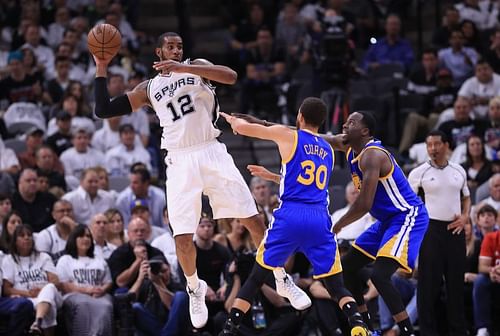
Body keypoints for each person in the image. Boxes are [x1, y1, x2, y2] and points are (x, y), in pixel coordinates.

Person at [92, 31, 306, 328]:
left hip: (211, 150)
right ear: (159, 52)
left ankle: (281, 277)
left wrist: (187, 68)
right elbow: (103, 109)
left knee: (254, 220)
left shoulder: (198, 68)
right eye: (170, 46)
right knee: (182, 237)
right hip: (179, 159)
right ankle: (194, 286)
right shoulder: (149, 87)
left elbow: (231, 76)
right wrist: (101, 66)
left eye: (180, 46)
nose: (176, 50)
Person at [219, 98, 369, 336]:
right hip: (319, 217)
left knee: (257, 276)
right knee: (336, 285)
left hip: (291, 214)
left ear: (299, 116)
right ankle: (358, 323)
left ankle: (229, 329)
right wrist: (272, 177)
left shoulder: (289, 135)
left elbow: (244, 129)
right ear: (321, 122)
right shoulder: (328, 149)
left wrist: (231, 119)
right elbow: (304, 182)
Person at [408, 130, 470, 336]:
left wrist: (465, 216)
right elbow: (409, 203)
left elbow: (466, 197)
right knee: (427, 287)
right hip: (430, 231)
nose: (433, 149)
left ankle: (458, 331)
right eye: (429, 145)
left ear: (446, 145)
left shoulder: (458, 170)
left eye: (436, 144)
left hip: (455, 231)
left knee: (455, 286)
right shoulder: (418, 173)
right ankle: (427, 332)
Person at [1, 224, 62, 336]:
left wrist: (41, 291)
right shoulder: (9, 260)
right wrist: (28, 293)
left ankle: (37, 323)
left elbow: (56, 282)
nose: (27, 238)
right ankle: (38, 323)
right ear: (15, 241)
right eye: (22, 235)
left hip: (49, 294)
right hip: (28, 299)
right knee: (48, 304)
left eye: (29, 235)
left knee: (49, 289)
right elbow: (7, 289)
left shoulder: (43, 257)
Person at [56, 224, 114, 336]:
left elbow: (108, 282)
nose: (86, 239)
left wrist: (102, 290)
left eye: (88, 236)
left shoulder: (99, 259)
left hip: (99, 294)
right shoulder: (65, 260)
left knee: (106, 305)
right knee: (83, 303)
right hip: (74, 295)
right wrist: (86, 290)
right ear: (74, 239)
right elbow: (63, 284)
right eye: (81, 236)